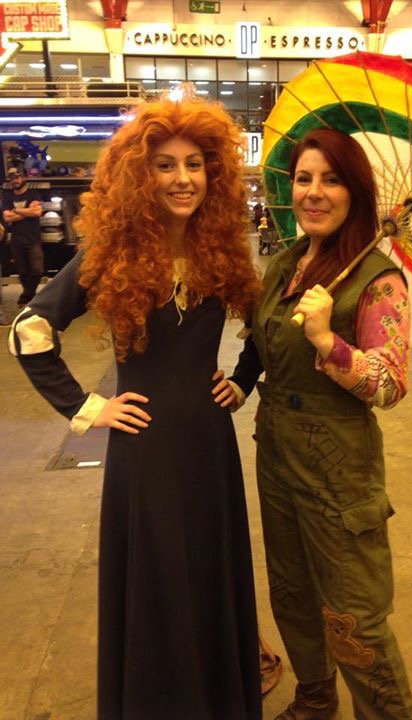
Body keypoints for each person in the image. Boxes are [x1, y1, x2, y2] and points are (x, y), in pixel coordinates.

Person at [9, 96, 263, 720]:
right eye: (165, 165)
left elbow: (267, 326)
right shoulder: (109, 255)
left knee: (207, 568)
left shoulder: (221, 250)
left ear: (214, 173)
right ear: (137, 177)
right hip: (143, 448)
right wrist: (87, 407)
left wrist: (242, 380)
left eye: (195, 164)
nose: (183, 179)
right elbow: (30, 330)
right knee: (157, 572)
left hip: (209, 445)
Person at [213, 128, 412, 720]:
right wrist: (241, 380)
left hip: (339, 470)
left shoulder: (378, 279)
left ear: (355, 192)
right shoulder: (284, 263)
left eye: (331, 180)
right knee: (293, 591)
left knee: (354, 611)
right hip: (276, 454)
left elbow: (389, 385)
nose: (314, 192)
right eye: (304, 179)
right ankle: (315, 697)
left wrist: (329, 340)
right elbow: (262, 337)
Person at [2, 167, 43, 307]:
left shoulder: (33, 194)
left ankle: (26, 296)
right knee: (23, 272)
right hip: (16, 240)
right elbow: (7, 218)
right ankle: (31, 297)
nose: (15, 180)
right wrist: (27, 211)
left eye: (17, 177)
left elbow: (37, 212)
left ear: (23, 178)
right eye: (12, 178)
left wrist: (16, 210)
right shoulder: (8, 196)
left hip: (33, 239)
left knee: (37, 270)